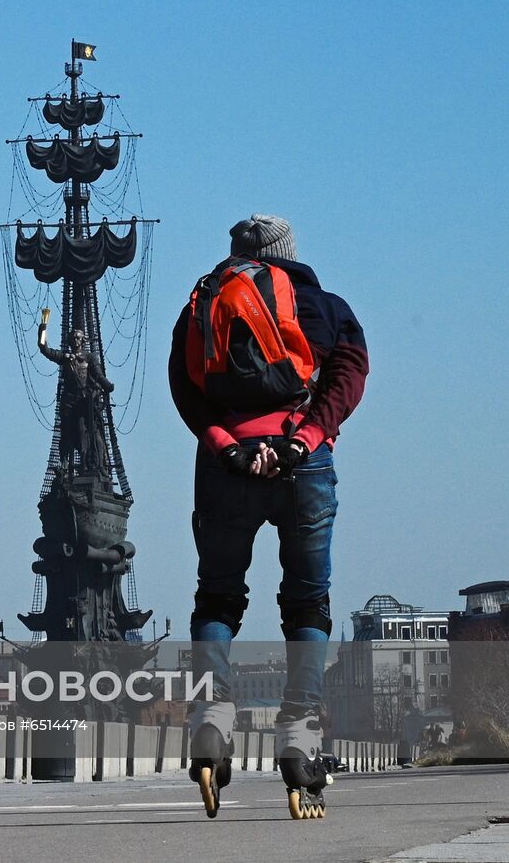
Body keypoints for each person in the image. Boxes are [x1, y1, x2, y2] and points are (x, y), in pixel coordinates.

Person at [169, 215, 367, 819]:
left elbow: (184, 386)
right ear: (289, 253)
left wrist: (228, 445)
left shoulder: (203, 305)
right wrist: (303, 439)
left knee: (219, 597)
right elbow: (349, 376)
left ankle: (211, 720)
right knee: (307, 600)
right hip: (302, 466)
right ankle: (299, 742)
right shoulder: (325, 306)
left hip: (225, 468)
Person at [39, 321, 115, 475]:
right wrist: (43, 330)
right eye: (73, 338)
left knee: (82, 433)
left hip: (83, 402)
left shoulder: (90, 357)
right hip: (68, 401)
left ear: (83, 340)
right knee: (65, 433)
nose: (75, 340)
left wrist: (107, 385)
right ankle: (64, 465)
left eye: (78, 338)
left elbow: (98, 375)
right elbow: (45, 349)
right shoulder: (65, 357)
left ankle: (87, 465)